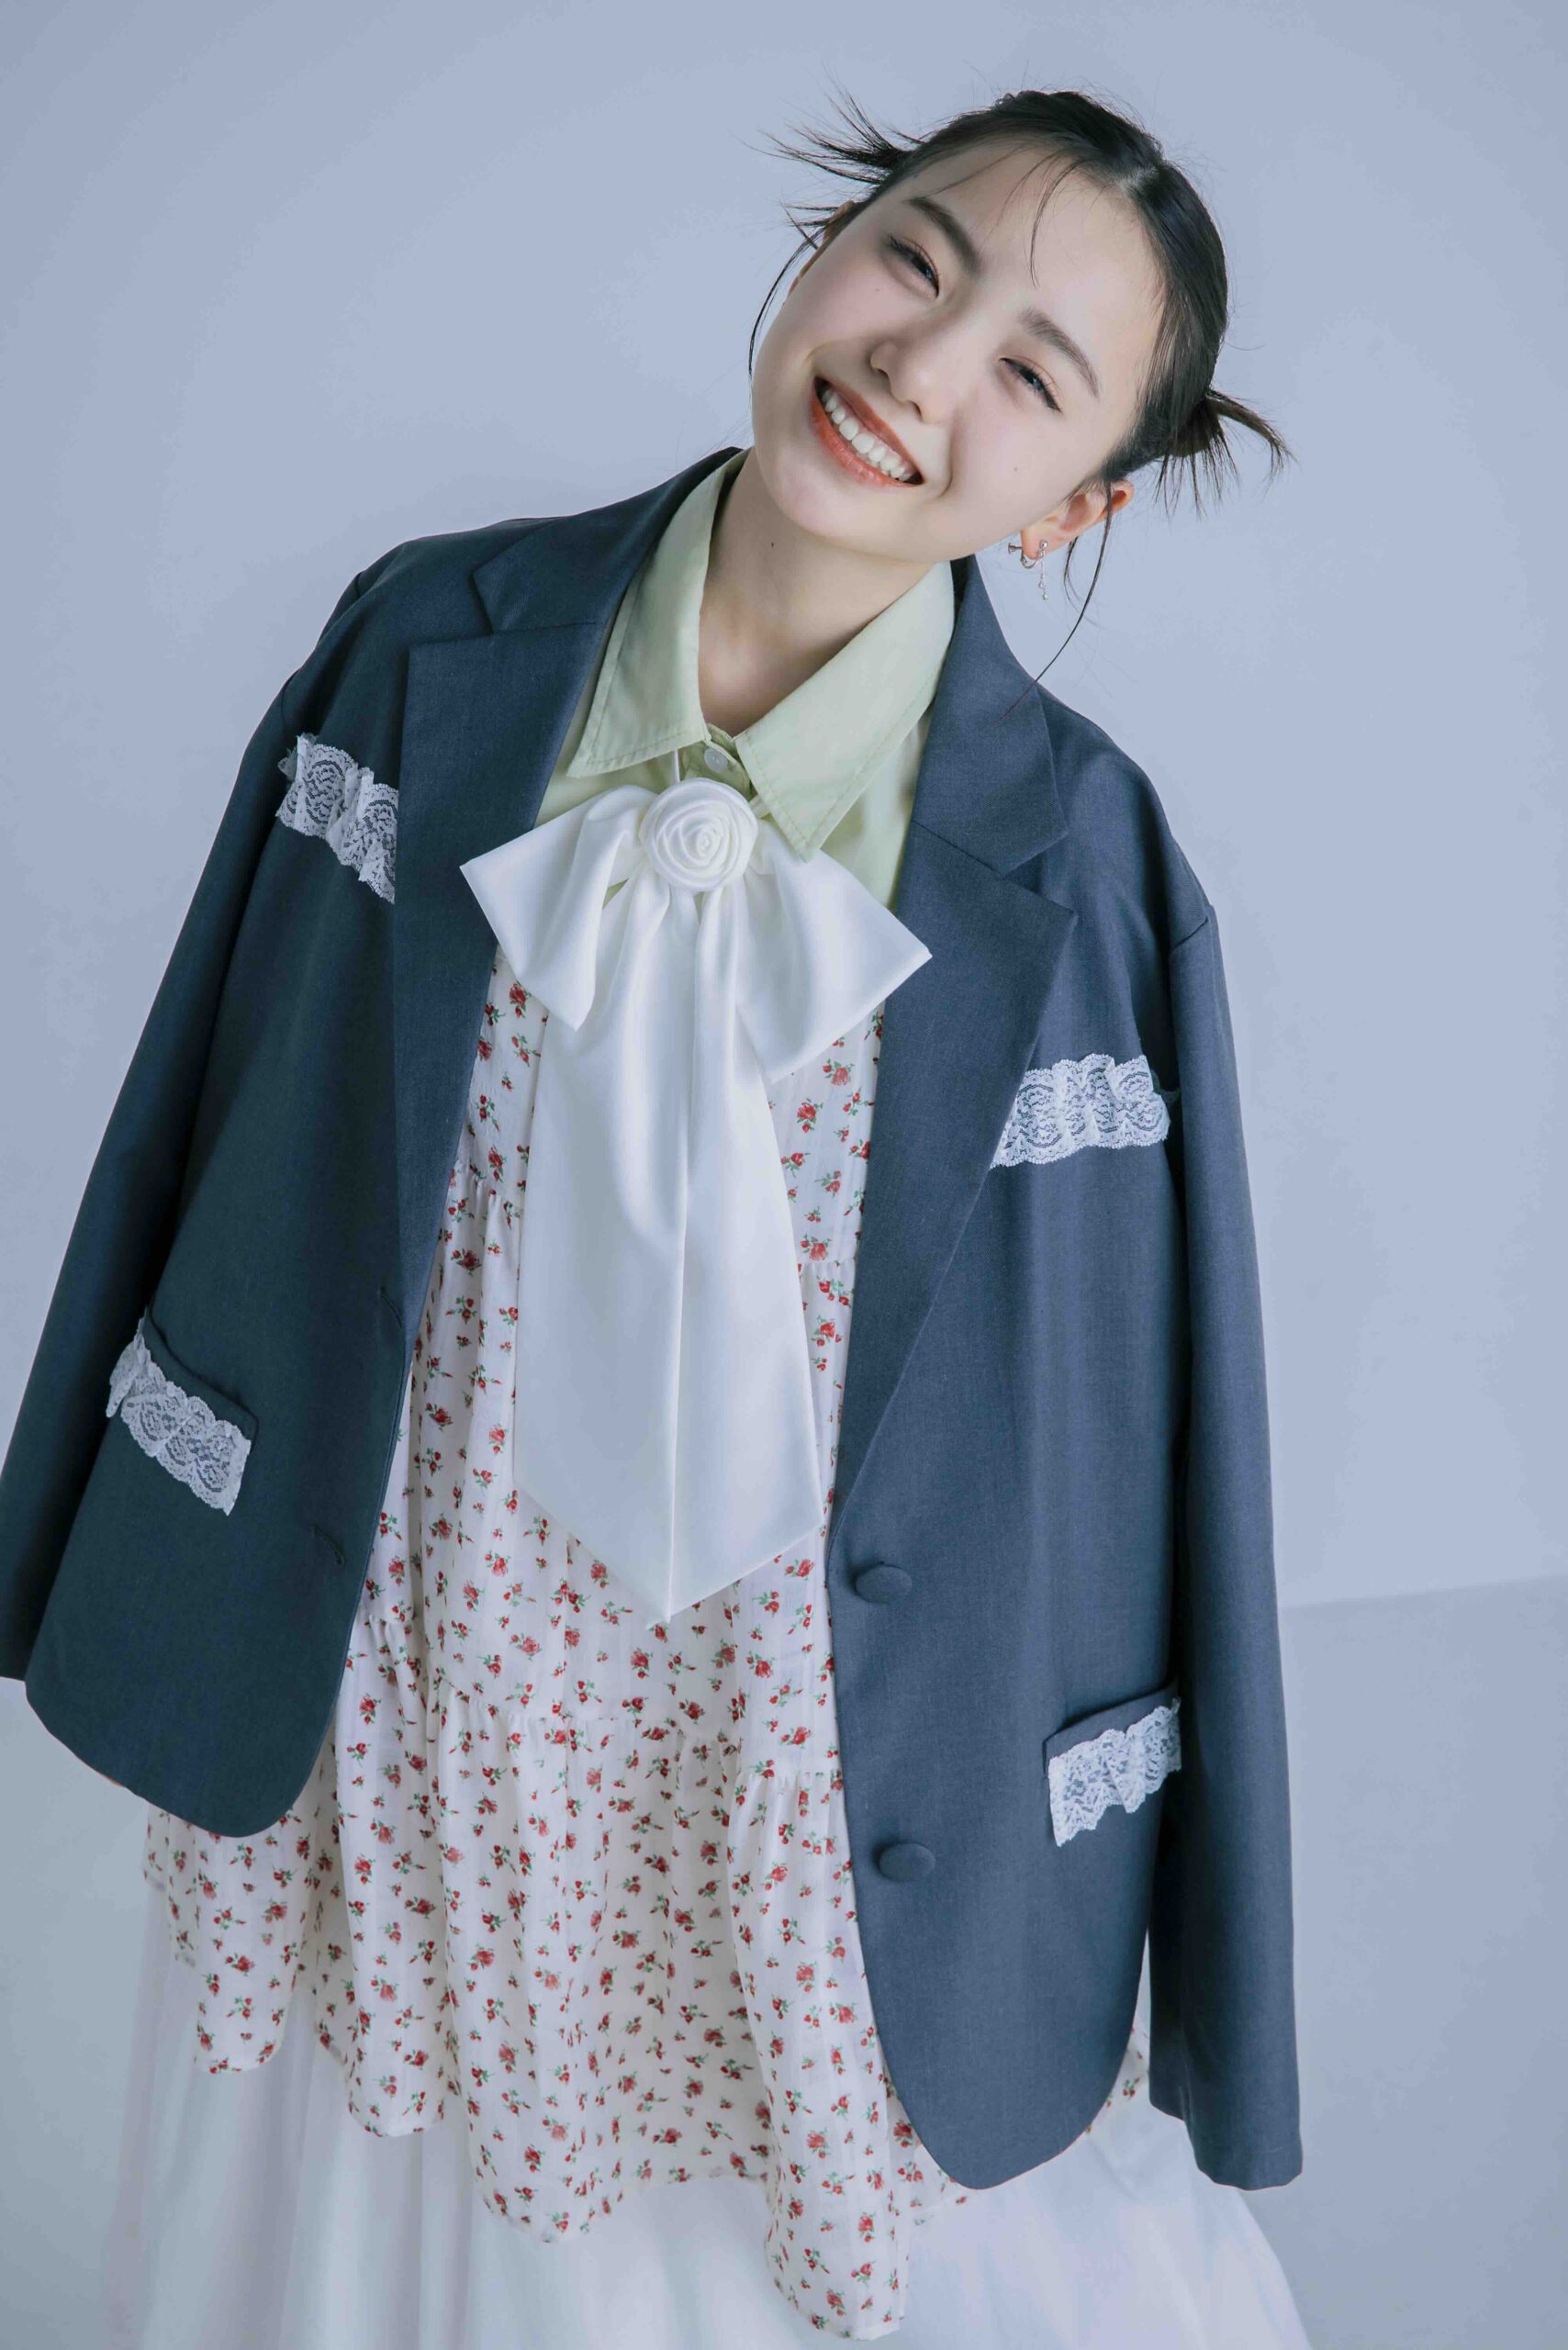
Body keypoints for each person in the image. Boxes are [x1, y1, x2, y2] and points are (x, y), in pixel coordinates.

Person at [4, 85, 1311, 2346]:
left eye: (1029, 371)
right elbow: (204, 1103)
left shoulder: (1084, 861)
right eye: (912, 259)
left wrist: (1213, 1944)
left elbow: (1154, 1432)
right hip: (417, 1663)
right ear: (827, 242)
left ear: (1080, 495)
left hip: (808, 1735)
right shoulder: (428, 640)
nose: (917, 364)